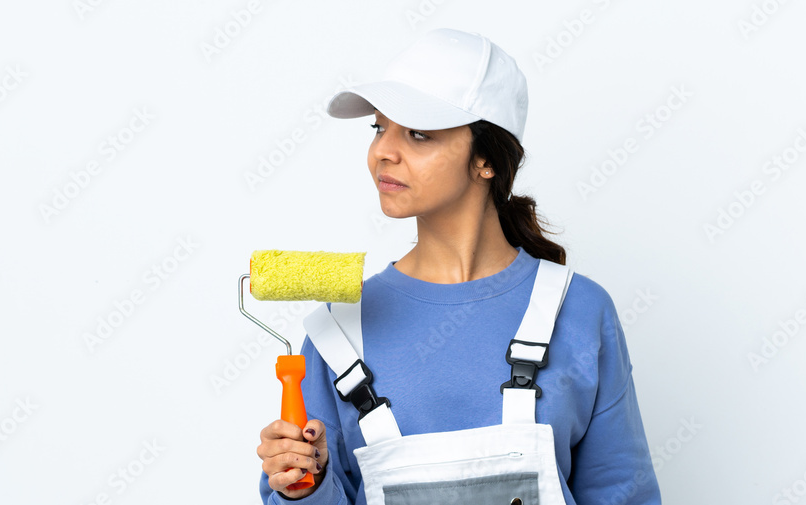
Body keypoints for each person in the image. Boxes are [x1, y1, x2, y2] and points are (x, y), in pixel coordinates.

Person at [256, 27, 661, 505]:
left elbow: (622, 493)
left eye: (418, 133)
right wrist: (304, 486)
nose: (383, 151)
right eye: (379, 127)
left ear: (486, 159)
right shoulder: (340, 329)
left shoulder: (578, 310)